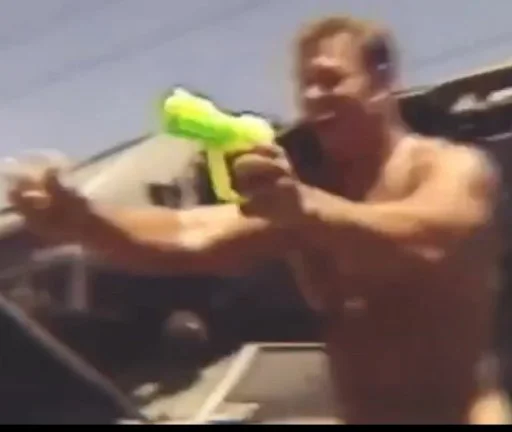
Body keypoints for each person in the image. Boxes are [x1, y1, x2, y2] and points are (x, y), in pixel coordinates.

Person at [7, 15, 506, 424]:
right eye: (305, 85)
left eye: (330, 79)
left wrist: (307, 210)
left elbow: (430, 240)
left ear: (382, 82)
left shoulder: (449, 167)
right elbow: (191, 234)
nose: (313, 96)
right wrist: (82, 219)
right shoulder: (304, 200)